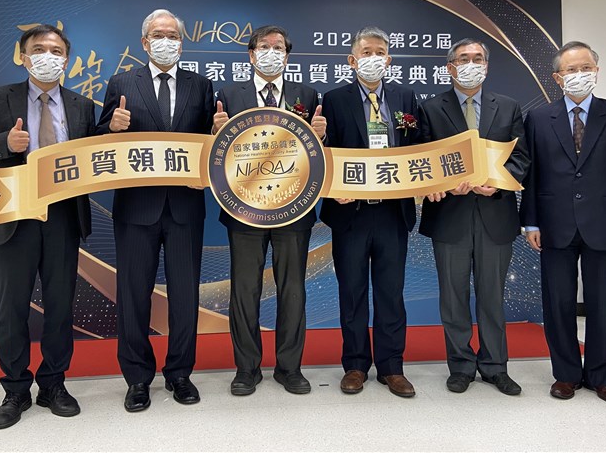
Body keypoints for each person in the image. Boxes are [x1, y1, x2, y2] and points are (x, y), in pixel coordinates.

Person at [0, 24, 96, 429]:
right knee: (12, 307)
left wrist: (115, 132)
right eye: (38, 49)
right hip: (14, 214)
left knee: (60, 305)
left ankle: (53, 383)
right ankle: (15, 389)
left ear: (67, 59)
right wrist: (5, 143)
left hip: (63, 216)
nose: (47, 56)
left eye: (56, 50)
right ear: (23, 56)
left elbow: (94, 155)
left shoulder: (81, 105)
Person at [97, 9, 214, 411]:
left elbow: (210, 143)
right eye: (158, 35)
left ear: (182, 42)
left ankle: (180, 373)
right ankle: (137, 378)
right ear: (145, 42)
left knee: (185, 295)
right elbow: (97, 141)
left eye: (173, 35)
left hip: (185, 206)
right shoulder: (122, 82)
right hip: (136, 206)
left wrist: (218, 132)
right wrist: (111, 127)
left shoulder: (201, 85)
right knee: (133, 295)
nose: (166, 41)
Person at [521, 41, 606, 404]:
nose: (579, 75)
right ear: (558, 78)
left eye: (586, 68)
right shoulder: (539, 118)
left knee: (602, 304)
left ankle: (603, 376)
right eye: (571, 70)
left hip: (605, 224)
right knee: (558, 304)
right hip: (553, 225)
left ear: (597, 72)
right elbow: (532, 175)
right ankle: (566, 374)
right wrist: (530, 222)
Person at [212, 25, 326, 396]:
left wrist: (321, 135)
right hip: (243, 209)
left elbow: (316, 155)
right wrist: (214, 131)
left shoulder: (307, 95)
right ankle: (246, 369)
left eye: (279, 47)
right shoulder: (229, 95)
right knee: (244, 289)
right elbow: (214, 155)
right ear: (251, 54)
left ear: (288, 56)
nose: (272, 52)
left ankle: (289, 368)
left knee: (292, 289)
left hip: (294, 207)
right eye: (265, 46)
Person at [417, 38, 529, 396]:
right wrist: (442, 185)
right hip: (449, 216)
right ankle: (461, 365)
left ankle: (496, 366)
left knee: (492, 296)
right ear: (450, 67)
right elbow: (420, 158)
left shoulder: (508, 107)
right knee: (453, 298)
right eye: (463, 58)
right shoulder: (430, 108)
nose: (471, 64)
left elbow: (521, 158)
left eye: (477, 58)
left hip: (495, 215)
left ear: (487, 66)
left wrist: (496, 184)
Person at [319, 27, 419, 398]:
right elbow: (322, 152)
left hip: (393, 212)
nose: (373, 58)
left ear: (389, 60)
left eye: (380, 52)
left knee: (391, 293)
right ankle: (356, 365)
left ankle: (392, 367)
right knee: (353, 291)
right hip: (351, 214)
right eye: (366, 52)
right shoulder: (333, 99)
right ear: (352, 60)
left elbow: (417, 146)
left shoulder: (405, 97)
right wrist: (334, 188)